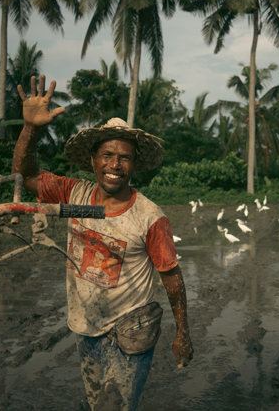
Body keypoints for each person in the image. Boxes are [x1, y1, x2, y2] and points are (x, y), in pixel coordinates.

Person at [11, 75, 193, 410]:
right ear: (94, 159)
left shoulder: (150, 217)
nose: (115, 165)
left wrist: (182, 332)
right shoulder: (73, 193)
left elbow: (171, 276)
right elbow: (27, 175)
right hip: (86, 327)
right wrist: (30, 129)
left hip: (131, 332)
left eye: (124, 158)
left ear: (134, 164)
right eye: (107, 155)